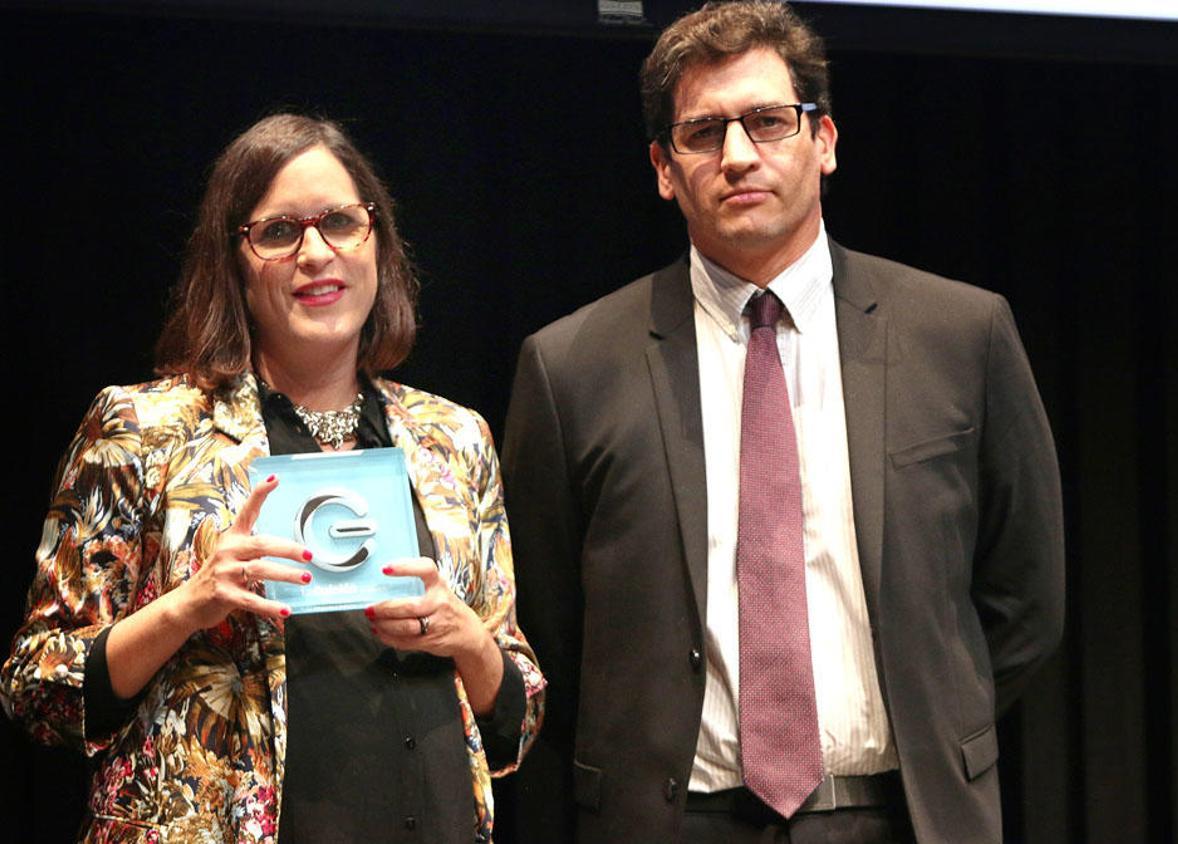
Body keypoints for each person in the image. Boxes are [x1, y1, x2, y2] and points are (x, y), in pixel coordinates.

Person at [501, 2, 1063, 842]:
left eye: (768, 121)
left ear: (824, 140)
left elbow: (1025, 597)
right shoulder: (570, 367)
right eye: (703, 133)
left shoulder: (960, 335)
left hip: (903, 815)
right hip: (674, 823)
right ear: (663, 168)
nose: (737, 155)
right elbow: (550, 627)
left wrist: (936, 720)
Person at [1, 113, 544, 842]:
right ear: (233, 263)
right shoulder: (143, 430)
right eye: (280, 232)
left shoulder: (455, 438)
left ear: (378, 242)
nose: (316, 253)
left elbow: (518, 719)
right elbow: (39, 690)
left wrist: (467, 640)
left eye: (341, 222)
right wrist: (186, 607)